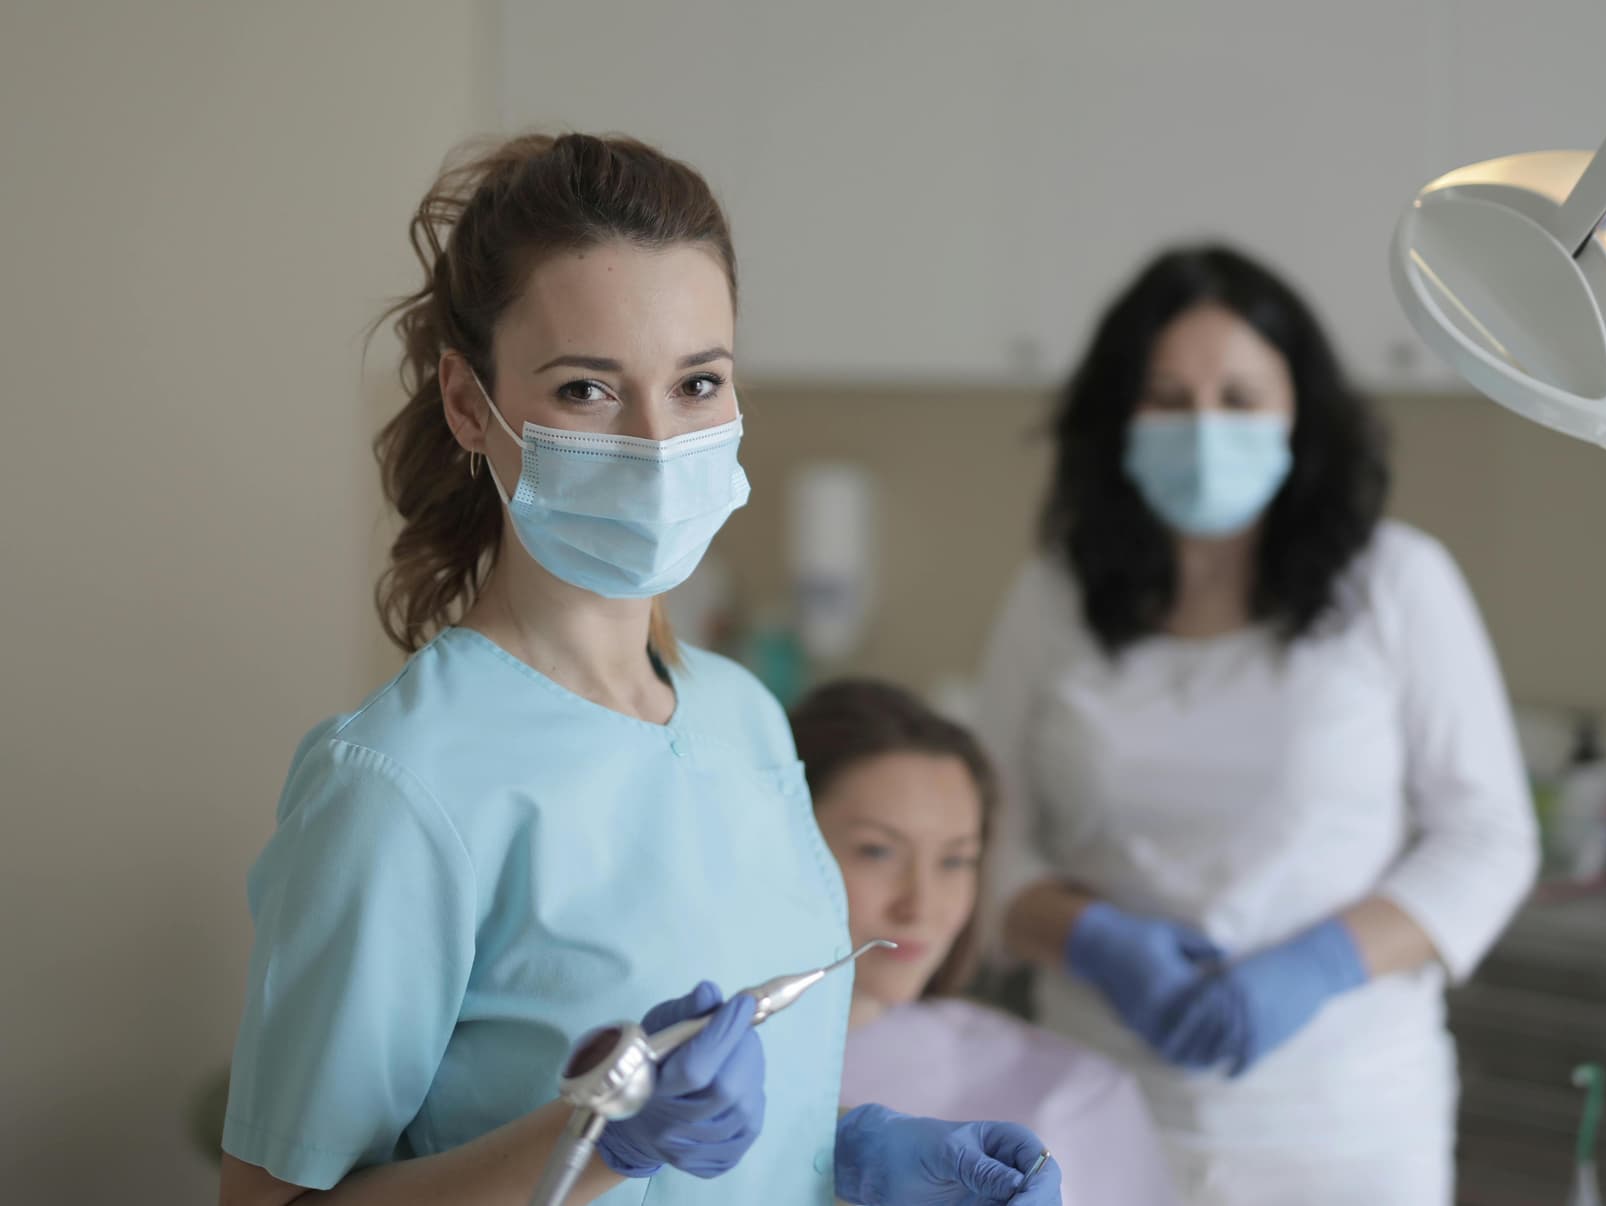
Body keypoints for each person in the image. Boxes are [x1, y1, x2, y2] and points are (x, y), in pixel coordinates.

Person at [218, 133, 1061, 1206]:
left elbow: (728, 1133)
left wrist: (842, 1155)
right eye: (586, 391)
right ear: (470, 404)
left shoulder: (744, 717)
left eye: (698, 382)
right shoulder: (402, 784)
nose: (661, 444)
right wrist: (604, 1141)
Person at [977, 245, 1540, 1204]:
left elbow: (1488, 837)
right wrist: (1093, 941)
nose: (1204, 428)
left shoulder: (1396, 584)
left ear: (1300, 418)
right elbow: (986, 840)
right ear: (1115, 419)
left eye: (1239, 398)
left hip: (1345, 1121)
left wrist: (1316, 967)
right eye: (1167, 397)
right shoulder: (1052, 601)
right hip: (1095, 1101)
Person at [790, 680, 1177, 1206]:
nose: (921, 907)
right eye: (877, 852)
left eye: (955, 860)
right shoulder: (691, 1077)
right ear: (781, 842)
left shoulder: (1072, 1095)